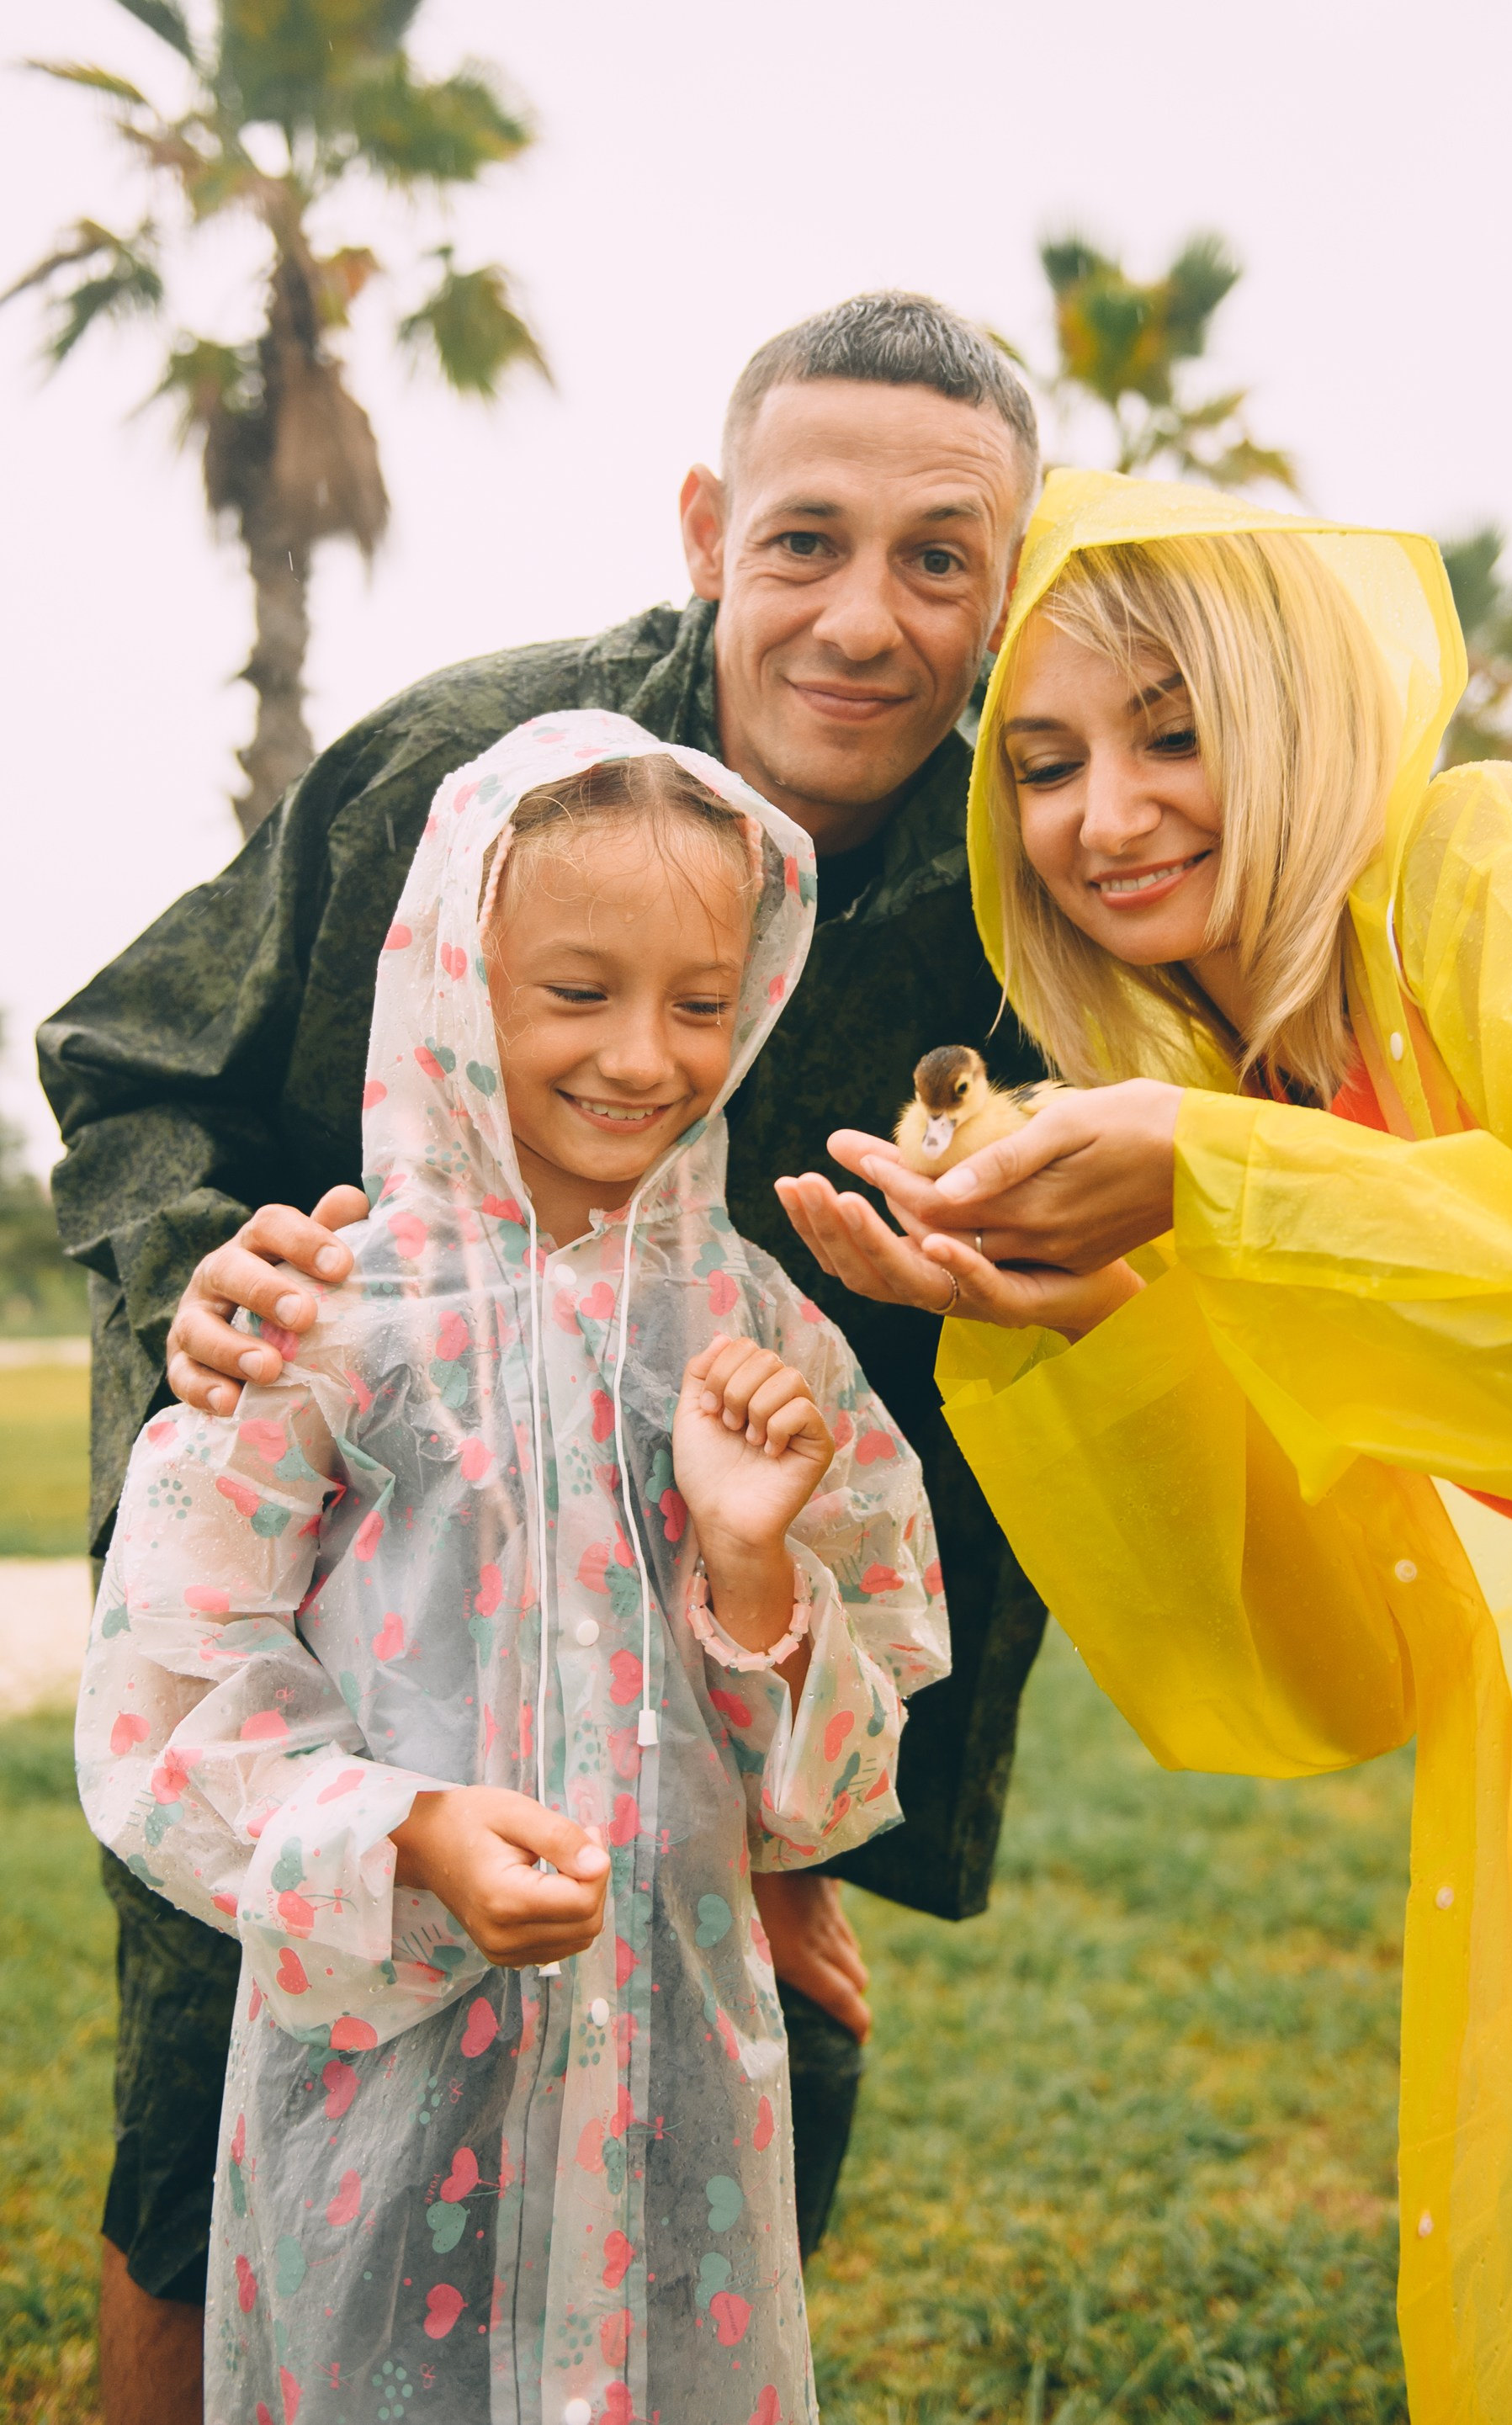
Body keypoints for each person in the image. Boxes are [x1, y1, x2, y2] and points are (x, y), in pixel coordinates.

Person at [39, 290, 1048, 2419]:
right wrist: (211, 1276)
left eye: (938, 558)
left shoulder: (1020, 883)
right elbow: (135, 1058)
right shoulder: (459, 771)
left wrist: (801, 1832)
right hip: (323, 1575)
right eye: (805, 540)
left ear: (1006, 582)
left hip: (708, 1676)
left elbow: (941, 1426)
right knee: (217, 2127)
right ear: (707, 530)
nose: (862, 617)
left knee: (711, 2145)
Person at [777, 468, 1512, 2424]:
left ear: (1299, 714)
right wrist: (1078, 1319)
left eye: (1175, 734)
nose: (1106, 817)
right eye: (1046, 764)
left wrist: (1219, 1179)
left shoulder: (1488, 856)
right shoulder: (1214, 1092)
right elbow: (1330, 1668)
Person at [77, 711, 949, 2425]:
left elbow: (833, 1776)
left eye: (700, 1001)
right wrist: (404, 1830)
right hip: (388, 2072)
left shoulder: (754, 1328)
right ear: (456, 982)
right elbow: (171, 1685)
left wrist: (755, 1566)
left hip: (670, 2076)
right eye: (578, 991)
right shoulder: (329, 1314)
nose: (644, 1054)